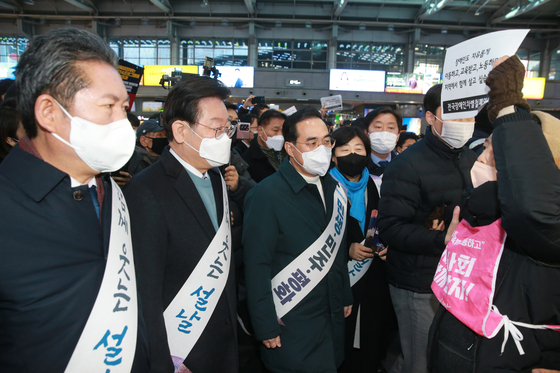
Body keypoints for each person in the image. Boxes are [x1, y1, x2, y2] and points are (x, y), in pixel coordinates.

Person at [0, 27, 149, 372]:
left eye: (124, 109)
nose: (123, 124)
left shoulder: (111, 191)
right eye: (108, 107)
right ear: (49, 113)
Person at [428, 55, 560, 372]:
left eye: (499, 152)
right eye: (487, 146)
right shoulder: (479, 211)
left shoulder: (544, 225)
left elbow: (531, 207)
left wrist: (507, 103)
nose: (485, 156)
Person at [123, 75, 248, 373]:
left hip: (223, 340)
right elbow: (145, 292)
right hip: (182, 350)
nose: (225, 137)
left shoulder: (216, 177)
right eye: (217, 128)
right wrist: (162, 361)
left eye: (227, 129)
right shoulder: (146, 191)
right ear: (180, 130)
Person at [243, 107, 353, 373]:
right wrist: (265, 325)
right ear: (291, 149)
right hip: (290, 320)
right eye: (312, 142)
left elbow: (337, 250)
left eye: (327, 141)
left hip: (331, 314)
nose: (322, 149)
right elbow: (256, 267)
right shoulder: (266, 195)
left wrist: (345, 293)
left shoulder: (334, 187)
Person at [377, 83, 478, 373]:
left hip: (459, 278)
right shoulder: (408, 164)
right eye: (454, 115)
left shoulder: (471, 158)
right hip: (418, 282)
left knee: (439, 356)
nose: (463, 123)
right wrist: (439, 238)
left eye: (468, 116)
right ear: (431, 118)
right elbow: (391, 227)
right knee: (420, 359)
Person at [329, 126, 396, 373]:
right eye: (345, 150)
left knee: (370, 332)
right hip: (340, 274)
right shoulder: (326, 185)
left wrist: (384, 244)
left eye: (358, 149)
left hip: (373, 272)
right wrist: (347, 248)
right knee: (343, 335)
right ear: (334, 155)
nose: (352, 155)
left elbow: (383, 223)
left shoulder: (375, 185)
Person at [362, 107, 402, 191]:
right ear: (366, 133)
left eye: (390, 128)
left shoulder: (406, 165)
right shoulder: (359, 165)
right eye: (378, 127)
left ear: (398, 136)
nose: (384, 132)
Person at [242, 109, 287, 183]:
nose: (280, 135)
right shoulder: (247, 160)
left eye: (283, 131)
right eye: (275, 130)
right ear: (260, 131)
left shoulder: (288, 152)